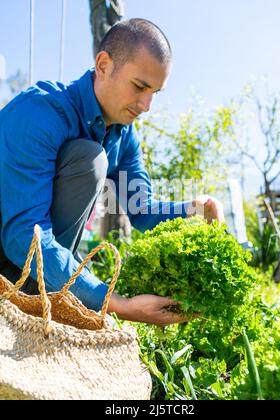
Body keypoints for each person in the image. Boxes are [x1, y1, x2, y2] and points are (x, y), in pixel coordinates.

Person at [0, 18, 224, 327]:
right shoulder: (40, 113)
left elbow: (141, 209)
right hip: (10, 257)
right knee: (91, 159)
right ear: (104, 65)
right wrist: (116, 303)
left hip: (36, 266)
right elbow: (24, 235)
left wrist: (195, 210)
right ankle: (38, 292)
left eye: (155, 93)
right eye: (139, 86)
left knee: (96, 157)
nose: (146, 105)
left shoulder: (122, 134)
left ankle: (52, 291)